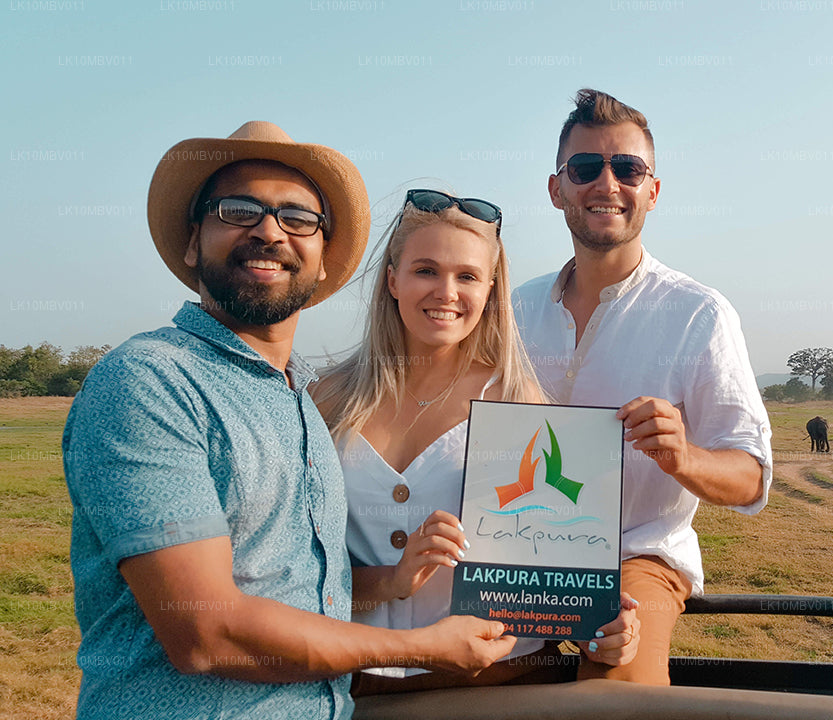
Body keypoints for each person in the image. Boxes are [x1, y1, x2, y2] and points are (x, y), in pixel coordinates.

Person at [62, 122, 515, 720]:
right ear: (194, 242)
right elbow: (207, 633)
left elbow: (300, 581)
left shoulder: (299, 398)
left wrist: (388, 582)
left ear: (324, 259)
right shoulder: (150, 381)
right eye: (238, 210)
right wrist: (418, 647)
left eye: (297, 219)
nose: (269, 231)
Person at [312, 188, 640, 695]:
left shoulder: (522, 404)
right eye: (425, 270)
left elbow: (559, 578)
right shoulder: (326, 397)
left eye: (467, 276)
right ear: (393, 280)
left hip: (496, 682)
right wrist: (389, 581)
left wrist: (606, 630)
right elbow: (293, 569)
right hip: (352, 681)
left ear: (490, 290)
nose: (446, 291)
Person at [513, 89, 774, 685]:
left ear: (652, 191)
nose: (607, 184)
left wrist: (683, 456)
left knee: (615, 685)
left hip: (635, 553)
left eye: (627, 168)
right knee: (423, 670)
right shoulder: (511, 310)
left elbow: (752, 476)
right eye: (585, 168)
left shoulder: (697, 314)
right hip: (516, 550)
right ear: (557, 189)